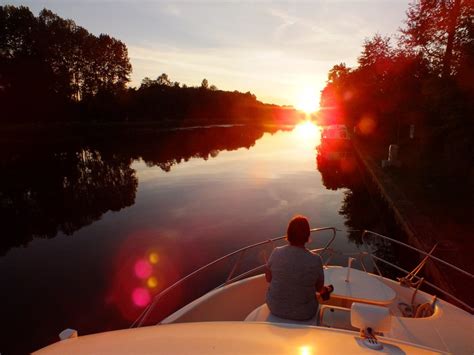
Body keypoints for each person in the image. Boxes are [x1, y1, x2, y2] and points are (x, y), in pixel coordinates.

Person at [265, 215, 325, 320]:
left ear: (288, 233)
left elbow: (268, 278)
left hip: (274, 307)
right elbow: (319, 288)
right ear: (307, 236)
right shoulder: (316, 260)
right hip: (305, 313)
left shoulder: (276, 252)